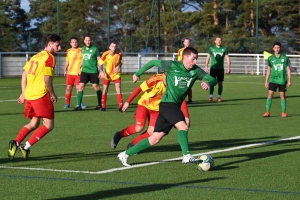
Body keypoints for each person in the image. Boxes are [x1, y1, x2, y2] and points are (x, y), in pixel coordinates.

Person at [117, 47, 217, 167]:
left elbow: (213, 80)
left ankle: (125, 154)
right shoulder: (172, 65)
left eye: (196, 59)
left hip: (173, 106)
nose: (195, 62)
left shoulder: (195, 71)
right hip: (167, 104)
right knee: (183, 126)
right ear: (185, 57)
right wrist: (137, 73)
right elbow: (153, 62)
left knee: (155, 138)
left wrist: (208, 83)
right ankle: (186, 155)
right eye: (193, 58)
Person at [8, 34, 61, 160]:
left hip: (30, 95)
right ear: (50, 44)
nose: (59, 48)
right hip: (40, 95)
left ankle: (15, 143)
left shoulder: (35, 56)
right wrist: (52, 93)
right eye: (57, 45)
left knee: (34, 123)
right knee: (48, 125)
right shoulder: (50, 58)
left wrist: (23, 93)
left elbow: (24, 74)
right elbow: (47, 78)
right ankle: (25, 147)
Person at [111, 72, 190, 150]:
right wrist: (128, 102)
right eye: (167, 75)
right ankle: (119, 135)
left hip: (156, 109)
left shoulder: (174, 84)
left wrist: (186, 117)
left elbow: (181, 100)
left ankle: (133, 145)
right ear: (163, 74)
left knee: (151, 132)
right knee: (139, 128)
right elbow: (139, 88)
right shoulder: (154, 79)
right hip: (144, 104)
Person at [263, 42, 291, 118]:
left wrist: (289, 80)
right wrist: (266, 81)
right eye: (275, 48)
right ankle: (267, 112)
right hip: (273, 80)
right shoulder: (270, 58)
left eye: (278, 47)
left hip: (282, 80)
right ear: (273, 49)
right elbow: (268, 70)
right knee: (270, 94)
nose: (277, 49)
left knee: (282, 95)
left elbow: (288, 69)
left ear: (280, 48)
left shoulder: (285, 58)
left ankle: (283, 112)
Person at [74, 35, 102, 111]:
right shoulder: (82, 49)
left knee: (96, 87)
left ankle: (100, 104)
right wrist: (79, 68)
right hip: (84, 71)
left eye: (89, 40)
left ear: (91, 41)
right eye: (86, 40)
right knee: (80, 87)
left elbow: (99, 60)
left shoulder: (95, 49)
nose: (88, 42)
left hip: (93, 71)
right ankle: (78, 105)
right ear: (84, 41)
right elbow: (83, 59)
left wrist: (101, 71)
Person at [98, 42, 123, 111]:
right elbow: (100, 64)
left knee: (118, 89)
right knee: (105, 90)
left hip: (116, 74)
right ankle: (103, 107)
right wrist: (101, 71)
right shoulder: (105, 54)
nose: (114, 48)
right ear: (109, 47)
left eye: (115, 46)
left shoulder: (119, 54)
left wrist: (118, 66)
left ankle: (121, 106)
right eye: (112, 46)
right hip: (107, 75)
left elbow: (121, 62)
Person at [205, 36, 231, 102]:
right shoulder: (211, 48)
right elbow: (208, 57)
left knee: (220, 84)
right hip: (213, 68)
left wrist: (228, 67)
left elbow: (227, 58)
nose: (219, 41)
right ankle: (210, 96)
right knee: (212, 83)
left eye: (220, 40)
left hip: (220, 69)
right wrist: (206, 66)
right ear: (215, 41)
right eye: (218, 40)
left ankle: (219, 97)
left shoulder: (224, 48)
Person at [63, 37, 86, 109]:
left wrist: (81, 69)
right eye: (73, 42)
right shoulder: (68, 51)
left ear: (77, 43)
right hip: (70, 73)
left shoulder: (81, 50)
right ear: (70, 43)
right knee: (68, 88)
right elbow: (67, 61)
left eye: (76, 42)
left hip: (78, 73)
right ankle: (67, 103)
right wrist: (64, 69)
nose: (74, 43)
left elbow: (84, 60)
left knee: (79, 88)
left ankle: (79, 103)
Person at [178, 38, 193, 104]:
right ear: (184, 43)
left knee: (189, 84)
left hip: (189, 70)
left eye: (188, 42)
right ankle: (181, 99)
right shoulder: (180, 50)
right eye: (186, 42)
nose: (187, 43)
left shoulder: (192, 50)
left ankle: (190, 99)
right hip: (181, 69)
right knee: (180, 84)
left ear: (189, 43)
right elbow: (179, 61)